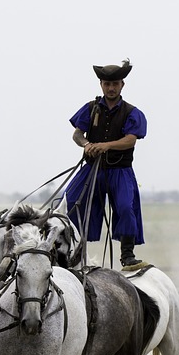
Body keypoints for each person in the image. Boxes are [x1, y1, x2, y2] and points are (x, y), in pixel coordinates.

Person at [63, 58, 147, 270]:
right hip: (93, 170)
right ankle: (71, 252)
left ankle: (127, 256)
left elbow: (131, 139)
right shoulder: (90, 108)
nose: (111, 88)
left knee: (126, 208)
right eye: (107, 84)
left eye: (115, 84)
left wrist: (105, 146)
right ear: (101, 84)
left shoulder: (132, 112)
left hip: (121, 172)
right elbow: (77, 134)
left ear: (122, 85)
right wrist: (87, 144)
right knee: (69, 202)